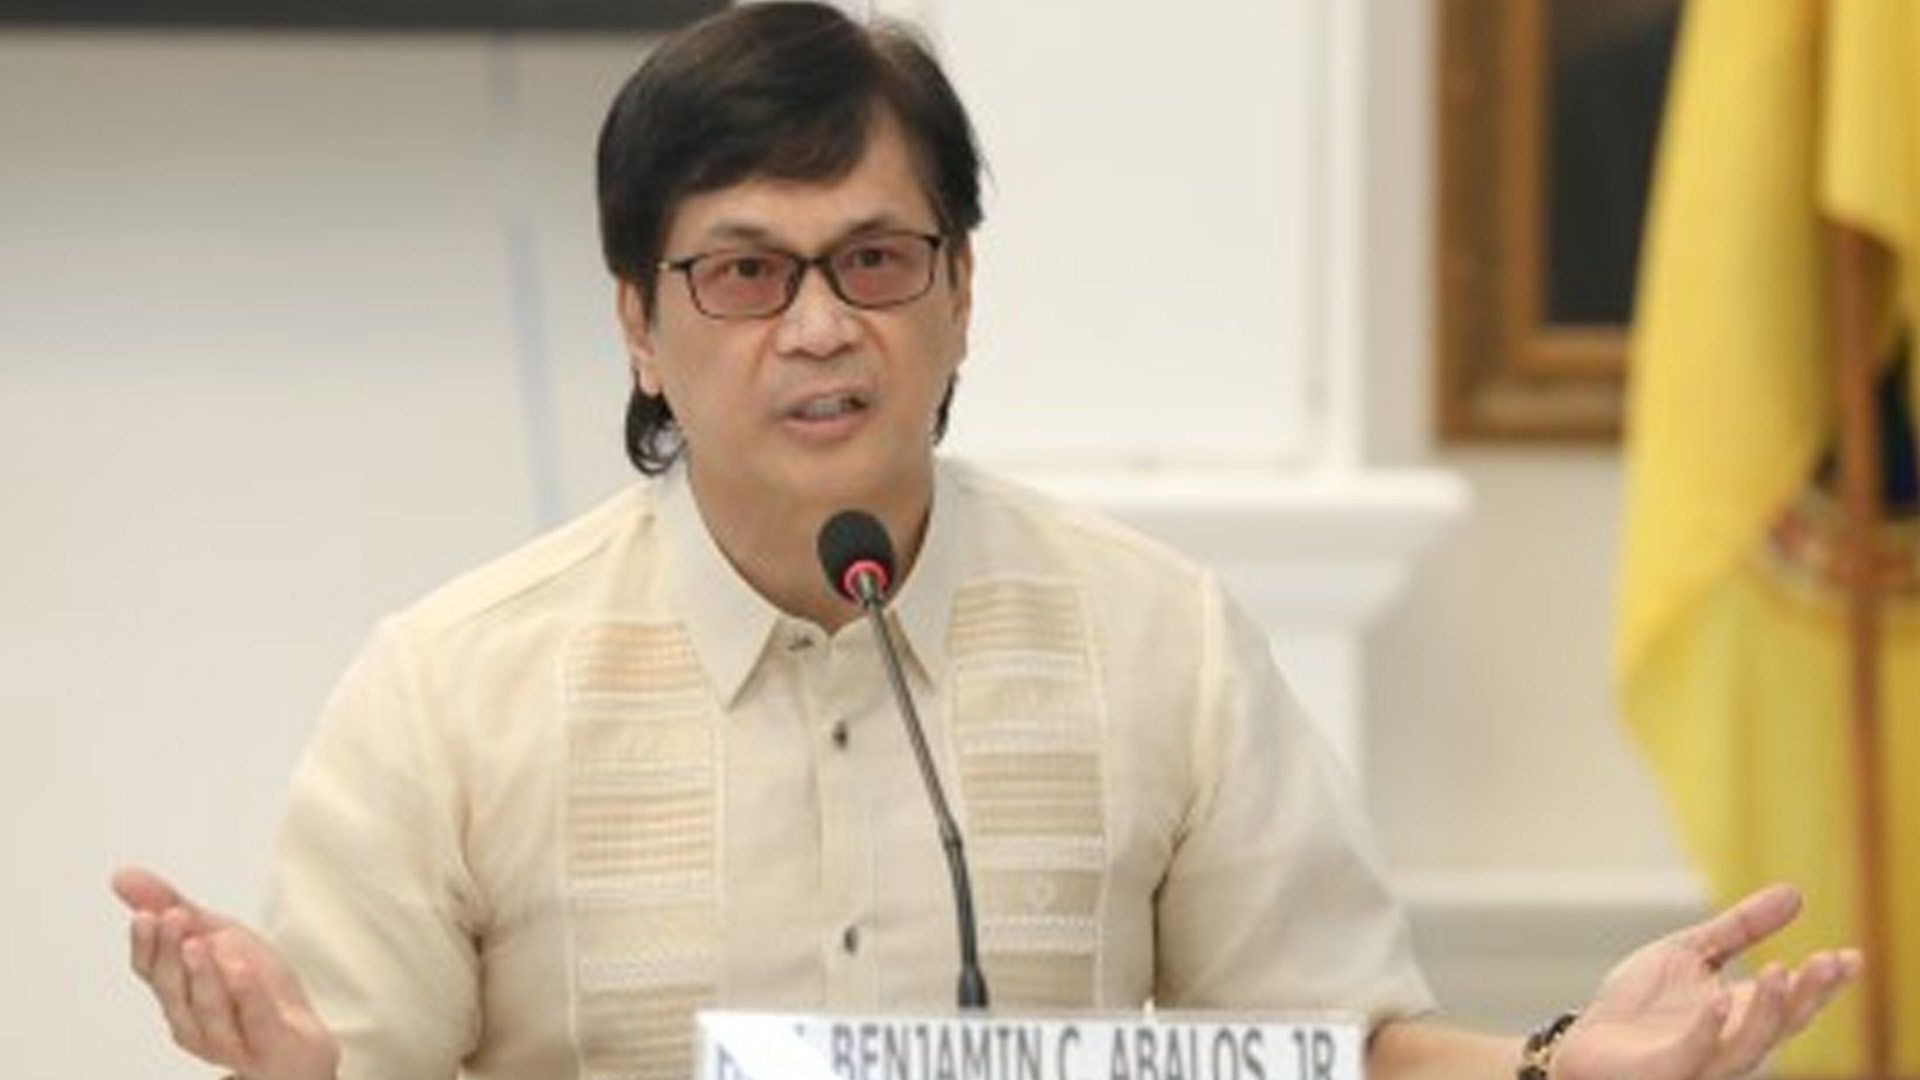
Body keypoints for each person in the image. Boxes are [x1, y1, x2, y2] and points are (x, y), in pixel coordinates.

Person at [112, 4, 1860, 1080]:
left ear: (960, 295)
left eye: (877, 260)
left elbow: (1333, 1050)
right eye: (746, 271)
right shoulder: (448, 691)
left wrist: (1560, 1069)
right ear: (640, 322)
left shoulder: (1154, 641)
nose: (820, 327)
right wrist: (293, 1071)